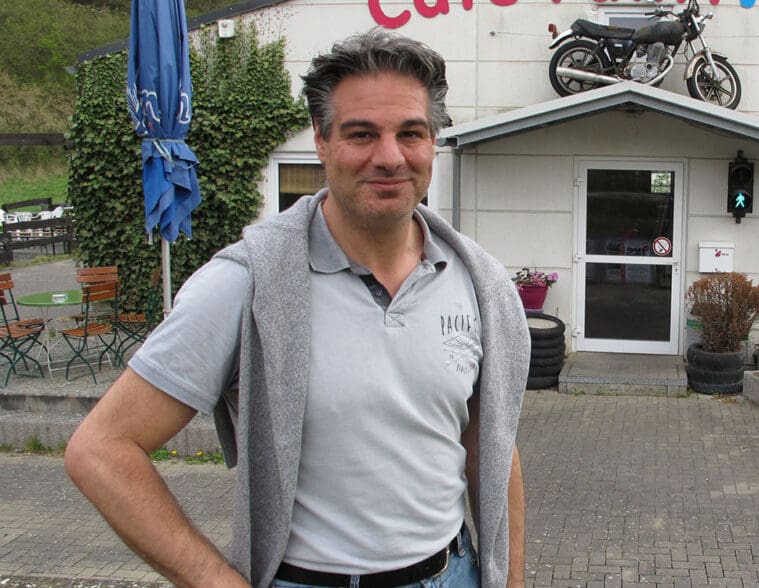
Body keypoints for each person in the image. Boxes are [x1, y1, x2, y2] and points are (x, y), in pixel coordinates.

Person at [65, 29, 530, 587]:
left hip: (452, 574)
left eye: (410, 133)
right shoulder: (246, 283)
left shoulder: (478, 282)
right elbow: (101, 449)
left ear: (433, 142)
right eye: (361, 134)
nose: (389, 157)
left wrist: (510, 580)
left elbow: (493, 448)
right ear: (321, 141)